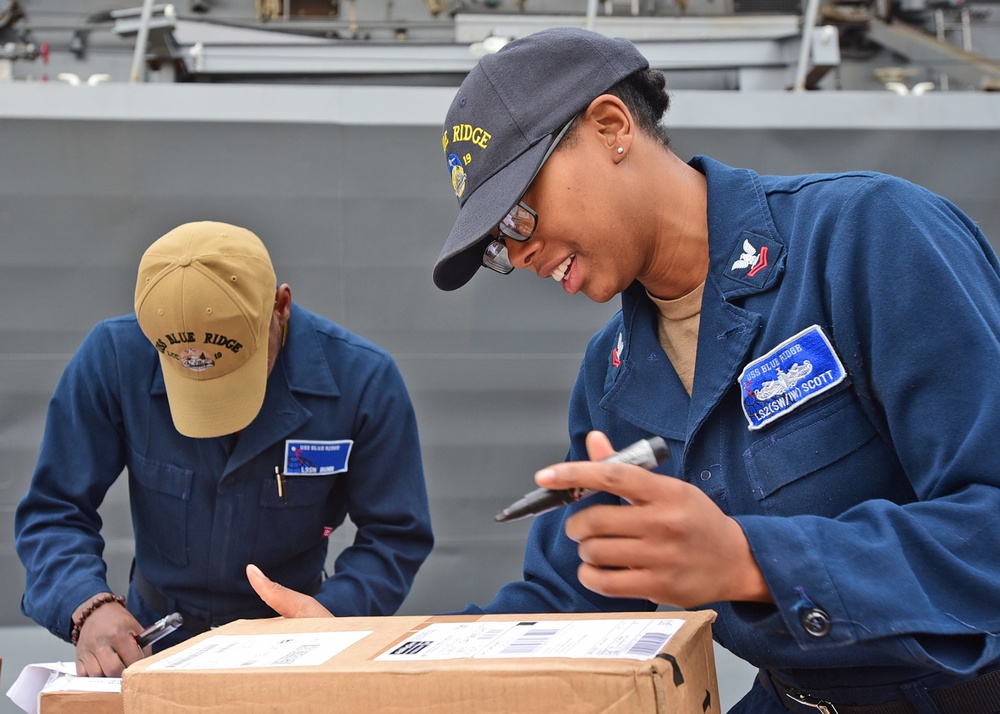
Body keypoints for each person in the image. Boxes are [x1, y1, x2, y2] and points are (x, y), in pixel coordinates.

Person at [249, 27, 1000, 714]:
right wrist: (372, 651)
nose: (519, 254)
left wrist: (754, 561)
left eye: (516, 218)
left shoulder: (869, 242)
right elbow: (569, 596)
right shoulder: (611, 380)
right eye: (496, 250)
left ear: (611, 127)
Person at [15, 220, 434, 677]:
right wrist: (86, 605)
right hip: (157, 643)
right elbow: (54, 510)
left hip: (296, 648)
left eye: (238, 372)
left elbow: (395, 534)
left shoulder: (363, 382)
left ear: (280, 306)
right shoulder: (115, 360)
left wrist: (328, 618)